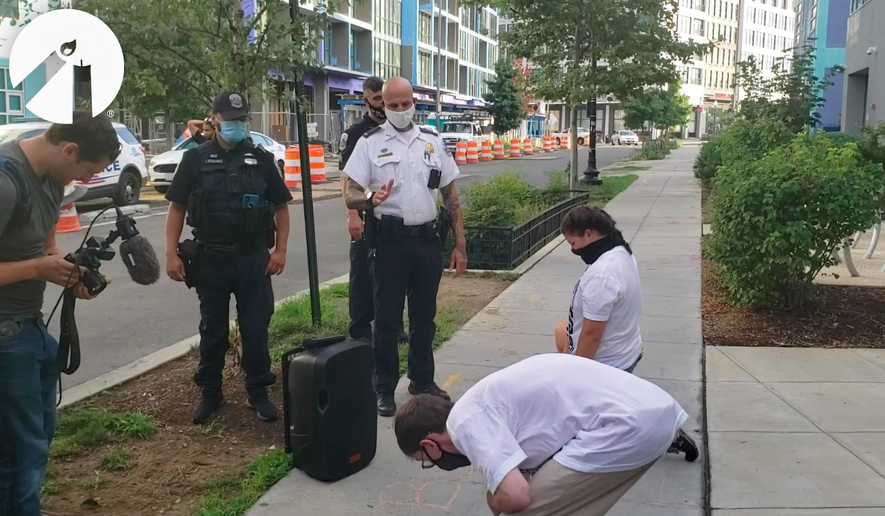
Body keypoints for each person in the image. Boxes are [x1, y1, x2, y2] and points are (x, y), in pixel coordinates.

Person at [0, 111, 120, 515]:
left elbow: (46, 249)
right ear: (68, 150)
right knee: (20, 452)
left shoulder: (52, 181)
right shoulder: (5, 180)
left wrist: (70, 274)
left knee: (36, 441)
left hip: (29, 328)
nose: (84, 181)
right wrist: (38, 269)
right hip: (5, 337)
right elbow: (36, 262)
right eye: (86, 170)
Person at [394, 353, 689, 516]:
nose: (435, 463)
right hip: (653, 412)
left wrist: (492, 499)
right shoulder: (480, 403)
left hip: (625, 427)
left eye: (426, 460)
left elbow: (516, 496)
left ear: (429, 445)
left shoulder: (464, 424)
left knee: (520, 511)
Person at [165, 91, 292, 425]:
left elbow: (281, 207)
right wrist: (170, 253)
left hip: (252, 259)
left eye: (241, 120)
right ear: (215, 118)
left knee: (254, 328)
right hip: (210, 258)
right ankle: (211, 393)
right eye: (230, 119)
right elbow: (176, 208)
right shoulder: (194, 160)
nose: (236, 125)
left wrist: (280, 250)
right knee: (213, 330)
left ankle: (258, 390)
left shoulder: (261, 159)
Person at [343, 76, 468, 417]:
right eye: (392, 105)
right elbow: (350, 191)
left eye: (405, 104)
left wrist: (460, 245)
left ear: (414, 102)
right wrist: (370, 198)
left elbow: (450, 196)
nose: (400, 110)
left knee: (424, 317)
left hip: (427, 240)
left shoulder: (431, 140)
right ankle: (383, 386)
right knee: (386, 319)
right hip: (388, 243)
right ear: (381, 104)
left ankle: (422, 380)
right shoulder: (369, 143)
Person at [555, 205, 698, 460]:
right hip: (626, 346)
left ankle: (665, 433)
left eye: (573, 242)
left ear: (588, 234)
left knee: (597, 415)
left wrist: (575, 375)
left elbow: (591, 336)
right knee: (559, 332)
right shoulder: (619, 251)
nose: (573, 249)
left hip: (608, 361)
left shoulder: (602, 276)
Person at [338, 76, 407, 345]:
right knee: (363, 276)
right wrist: (352, 214)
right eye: (377, 99)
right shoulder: (357, 134)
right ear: (366, 100)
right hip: (365, 213)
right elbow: (346, 176)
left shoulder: (398, 130)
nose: (382, 104)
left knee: (393, 275)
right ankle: (360, 328)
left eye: (384, 98)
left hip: (392, 218)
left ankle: (393, 325)